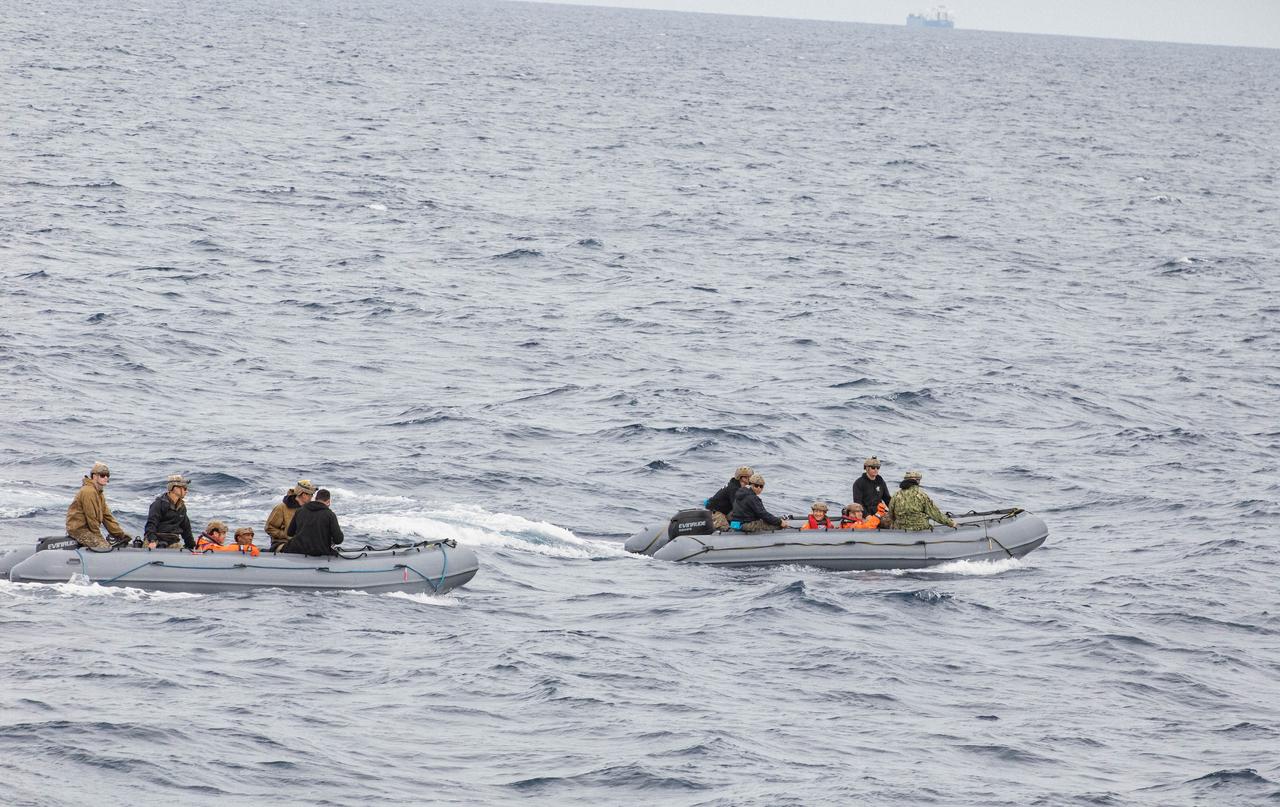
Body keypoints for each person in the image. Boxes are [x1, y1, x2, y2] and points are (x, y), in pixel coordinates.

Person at [65, 462, 131, 549]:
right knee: (104, 547)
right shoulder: (88, 491)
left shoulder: (99, 493)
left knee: (109, 544)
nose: (106, 477)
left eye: (107, 475)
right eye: (102, 475)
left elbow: (107, 517)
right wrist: (99, 538)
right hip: (79, 530)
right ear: (94, 476)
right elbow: (91, 518)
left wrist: (120, 534)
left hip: (89, 529)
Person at [885, 471, 956, 531]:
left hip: (900, 529)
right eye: (919, 480)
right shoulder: (922, 495)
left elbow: (891, 514)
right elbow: (935, 514)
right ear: (917, 481)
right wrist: (951, 523)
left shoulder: (896, 495)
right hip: (920, 529)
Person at [283, 488, 345, 555]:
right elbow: (338, 540)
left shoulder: (300, 510)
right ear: (328, 501)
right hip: (320, 552)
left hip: (297, 550)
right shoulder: (330, 515)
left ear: (315, 498)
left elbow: (290, 533)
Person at [144, 474, 194, 549]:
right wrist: (152, 541)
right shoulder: (158, 504)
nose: (186, 491)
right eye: (184, 488)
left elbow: (186, 530)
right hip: (156, 540)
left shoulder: (181, 507)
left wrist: (192, 546)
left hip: (173, 541)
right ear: (174, 488)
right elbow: (151, 525)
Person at [266, 480, 315, 552]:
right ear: (304, 494)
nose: (312, 497)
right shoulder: (281, 508)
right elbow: (269, 528)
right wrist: (287, 536)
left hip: (302, 544)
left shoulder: (309, 509)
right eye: (311, 494)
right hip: (281, 543)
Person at [706, 466, 753, 531]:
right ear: (741, 478)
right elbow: (737, 507)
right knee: (727, 531)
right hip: (717, 512)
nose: (750, 479)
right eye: (748, 477)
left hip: (726, 511)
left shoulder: (737, 486)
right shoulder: (734, 489)